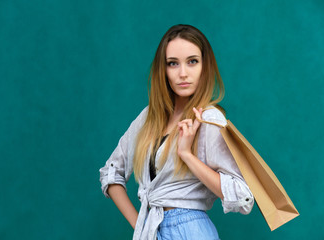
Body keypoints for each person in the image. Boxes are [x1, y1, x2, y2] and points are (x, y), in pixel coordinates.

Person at [99, 24, 254, 240]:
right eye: (173, 64)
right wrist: (140, 227)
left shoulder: (208, 119)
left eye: (192, 62)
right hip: (152, 230)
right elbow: (111, 172)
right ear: (163, 71)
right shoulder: (148, 118)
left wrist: (187, 155)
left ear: (205, 67)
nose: (183, 73)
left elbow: (242, 197)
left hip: (191, 230)